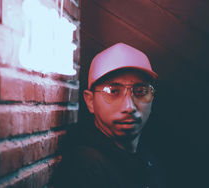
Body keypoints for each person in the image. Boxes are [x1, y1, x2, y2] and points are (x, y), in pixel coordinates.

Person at [53, 42, 165, 188]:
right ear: (90, 101)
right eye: (113, 91)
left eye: (141, 91)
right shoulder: (83, 167)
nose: (129, 107)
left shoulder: (147, 160)